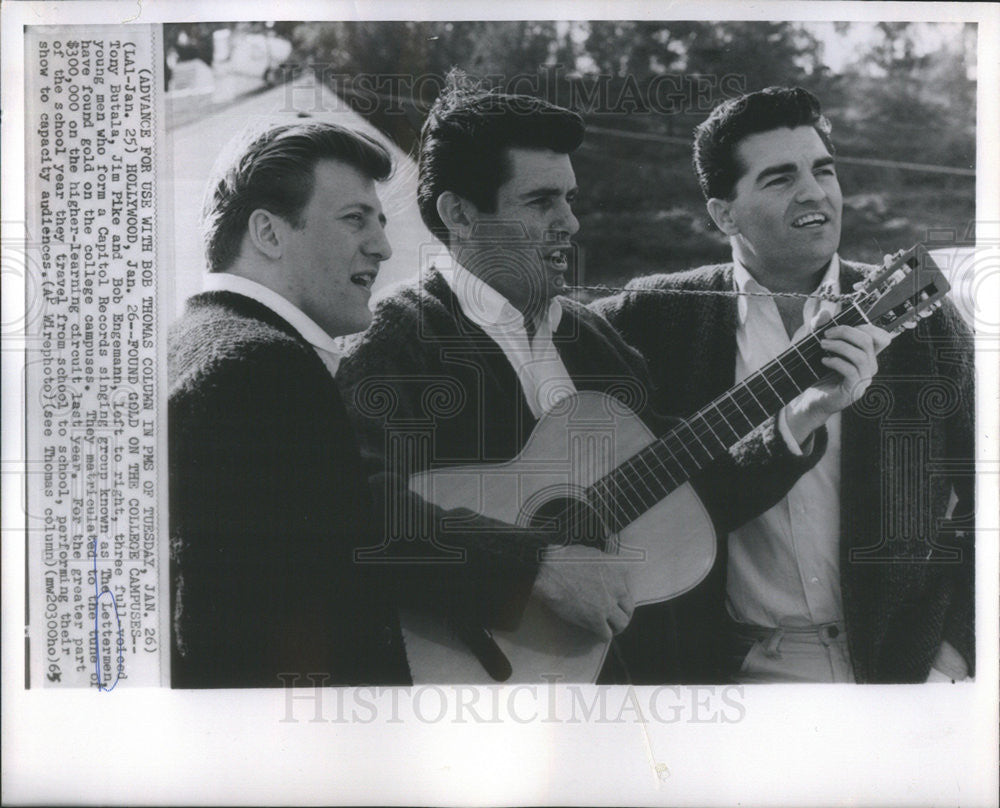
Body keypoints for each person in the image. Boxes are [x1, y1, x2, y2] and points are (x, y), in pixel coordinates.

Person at [337, 74, 883, 683]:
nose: (569, 222)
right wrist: (533, 567)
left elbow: (686, 494)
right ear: (459, 214)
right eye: (540, 201)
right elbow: (347, 507)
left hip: (620, 699)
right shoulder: (399, 336)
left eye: (570, 199)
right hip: (475, 694)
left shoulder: (590, 338)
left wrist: (800, 415)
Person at [592, 86, 975, 683]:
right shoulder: (652, 317)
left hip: (902, 668)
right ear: (723, 213)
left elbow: (987, 502)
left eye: (823, 170)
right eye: (779, 178)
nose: (815, 192)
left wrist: (952, 656)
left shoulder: (920, 321)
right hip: (733, 672)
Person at [169, 121, 553, 688]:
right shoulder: (262, 365)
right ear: (269, 234)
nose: (383, 245)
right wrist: (539, 566)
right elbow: (370, 538)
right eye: (354, 219)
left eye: (381, 221)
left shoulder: (197, 342)